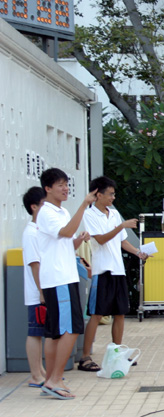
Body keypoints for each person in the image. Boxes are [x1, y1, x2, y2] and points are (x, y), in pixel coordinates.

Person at [37, 168, 95, 399]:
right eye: (60, 185)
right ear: (47, 188)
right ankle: (55, 379)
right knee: (71, 329)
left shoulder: (61, 211)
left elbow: (65, 243)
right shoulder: (47, 212)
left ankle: (51, 379)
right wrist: (84, 205)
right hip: (59, 278)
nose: (65, 188)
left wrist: (78, 240)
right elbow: (66, 231)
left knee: (55, 333)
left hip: (63, 276)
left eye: (66, 184)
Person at [80, 176, 148, 372]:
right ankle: (85, 357)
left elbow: (122, 241)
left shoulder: (114, 214)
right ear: (98, 194)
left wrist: (138, 252)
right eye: (110, 194)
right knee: (96, 314)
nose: (113, 197)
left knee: (120, 313)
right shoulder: (89, 215)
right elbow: (101, 240)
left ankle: (116, 353)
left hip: (118, 270)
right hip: (102, 270)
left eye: (114, 194)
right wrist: (121, 226)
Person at [22, 186, 47, 387]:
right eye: (44, 204)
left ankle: (41, 372)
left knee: (40, 333)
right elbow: (34, 264)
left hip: (42, 290)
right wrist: (41, 291)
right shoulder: (30, 233)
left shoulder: (40, 231)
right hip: (37, 292)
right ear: (34, 207)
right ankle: (35, 375)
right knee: (35, 332)